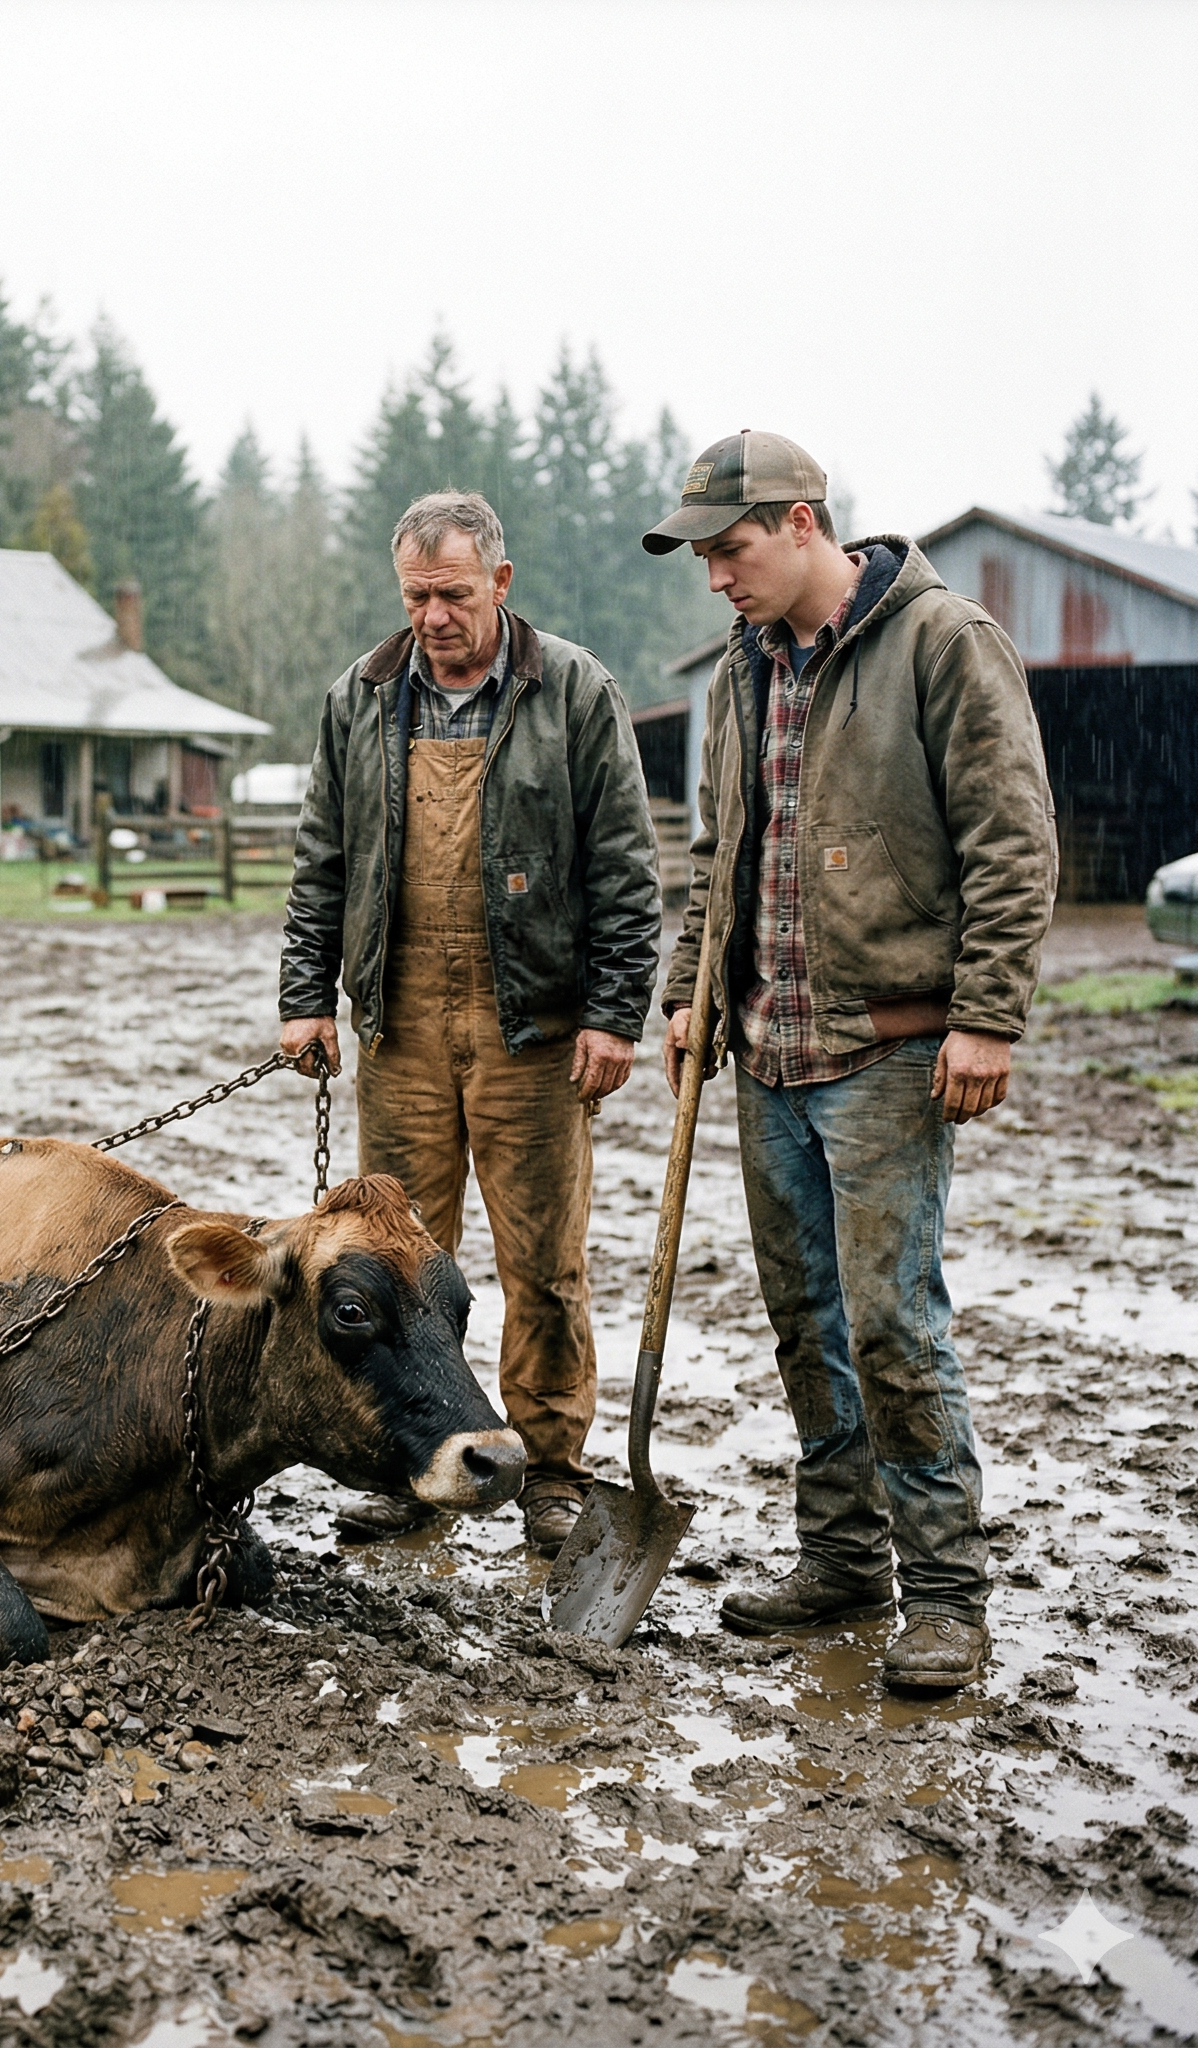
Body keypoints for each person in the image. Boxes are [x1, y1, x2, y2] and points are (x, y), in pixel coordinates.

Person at [644, 430, 1057, 1692]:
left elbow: (1011, 840)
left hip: (884, 1054)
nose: (715, 575)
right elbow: (720, 851)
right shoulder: (740, 666)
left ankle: (943, 1592)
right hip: (764, 1051)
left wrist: (984, 1014)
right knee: (802, 1319)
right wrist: (684, 993)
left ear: (805, 521)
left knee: (892, 1322)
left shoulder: (941, 642)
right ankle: (839, 1556)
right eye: (704, 555)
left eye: (730, 547)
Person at [278, 491, 662, 1557]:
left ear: (499, 581)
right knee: (398, 1268)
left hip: (530, 1031)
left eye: (452, 593)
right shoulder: (357, 697)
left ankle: (548, 1467)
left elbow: (624, 871)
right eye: (414, 595)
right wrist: (304, 994)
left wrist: (611, 1013)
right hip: (398, 1023)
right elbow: (320, 861)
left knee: (542, 1262)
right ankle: (420, 1467)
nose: (433, 615)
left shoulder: (574, 691)